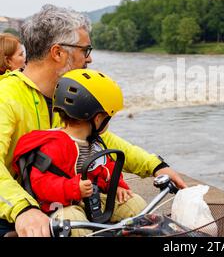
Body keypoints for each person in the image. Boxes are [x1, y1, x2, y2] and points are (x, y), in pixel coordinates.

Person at [0, 4, 186, 237]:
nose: (90, 58)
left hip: (64, 203)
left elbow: (100, 139)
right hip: (17, 214)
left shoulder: (65, 95)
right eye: (85, 50)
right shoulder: (6, 97)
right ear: (58, 53)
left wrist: (155, 165)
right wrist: (23, 209)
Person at [13, 69, 148, 237]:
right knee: (72, 220)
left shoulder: (94, 142)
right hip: (62, 205)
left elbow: (107, 167)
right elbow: (40, 183)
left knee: (135, 204)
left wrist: (119, 185)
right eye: (108, 117)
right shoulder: (54, 145)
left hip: (92, 199)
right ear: (98, 118)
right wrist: (72, 188)